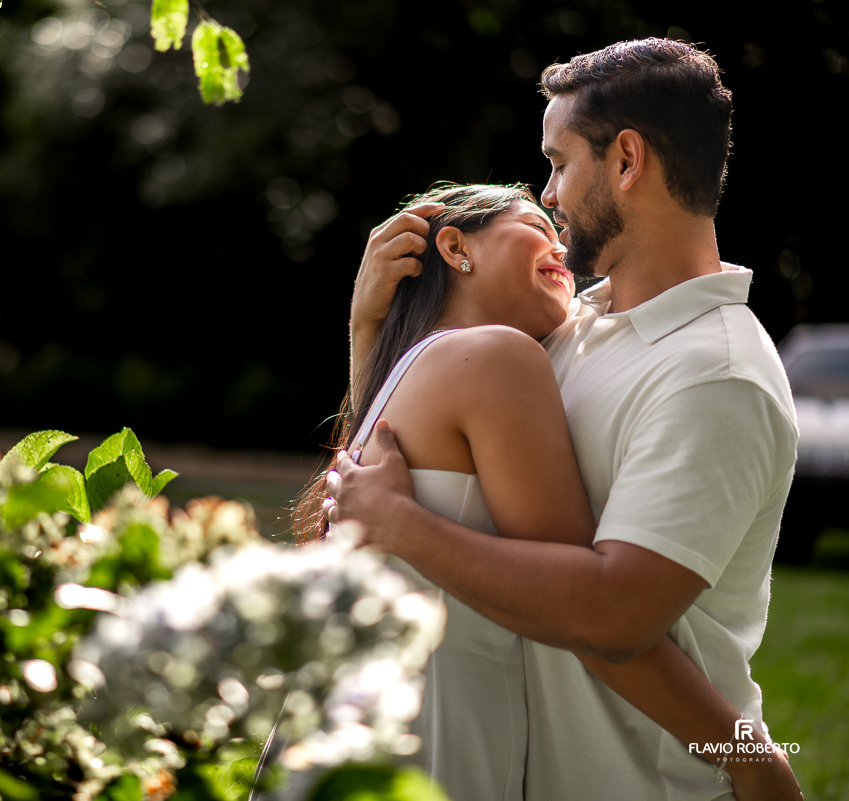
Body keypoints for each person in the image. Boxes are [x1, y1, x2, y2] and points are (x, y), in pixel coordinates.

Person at [326, 39, 804, 801]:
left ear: (625, 160)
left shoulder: (712, 374)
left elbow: (616, 614)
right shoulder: (572, 326)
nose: (548, 193)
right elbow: (412, 462)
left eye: (558, 161)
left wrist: (751, 758)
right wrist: (367, 336)